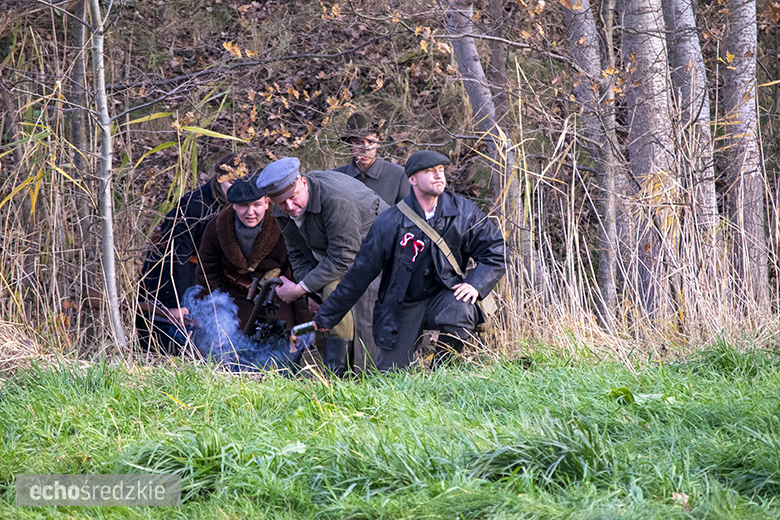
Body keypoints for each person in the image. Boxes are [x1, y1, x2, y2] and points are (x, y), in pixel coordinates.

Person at [313, 150, 506, 371]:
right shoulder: (389, 222)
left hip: (444, 297)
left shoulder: (464, 212)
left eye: (441, 170)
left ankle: (441, 374)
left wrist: (475, 284)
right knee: (391, 377)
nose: (438, 176)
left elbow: (495, 250)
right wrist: (327, 316)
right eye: (429, 171)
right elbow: (359, 276)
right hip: (401, 306)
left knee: (463, 307)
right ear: (412, 179)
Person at [255, 156, 389, 376]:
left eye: (293, 197)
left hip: (379, 253)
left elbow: (344, 256)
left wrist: (301, 288)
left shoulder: (335, 199)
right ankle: (334, 374)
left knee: (335, 294)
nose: (289, 206)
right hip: (341, 258)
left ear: (303, 182)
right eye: (281, 203)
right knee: (326, 296)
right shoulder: (283, 210)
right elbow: (297, 253)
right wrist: (312, 291)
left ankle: (348, 374)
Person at [137, 152, 256, 354]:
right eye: (232, 184)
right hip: (172, 277)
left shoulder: (242, 206)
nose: (238, 192)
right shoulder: (192, 205)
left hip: (211, 276)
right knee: (172, 341)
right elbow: (175, 258)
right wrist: (175, 304)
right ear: (219, 178)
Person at [194, 172, 309, 332]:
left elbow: (296, 273)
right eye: (243, 205)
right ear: (234, 205)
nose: (250, 212)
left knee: (281, 340)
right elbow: (207, 273)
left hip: (277, 296)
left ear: (267, 202)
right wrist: (215, 313)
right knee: (231, 344)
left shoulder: (284, 226)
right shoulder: (217, 227)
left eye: (256, 204)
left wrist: (303, 319)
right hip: (233, 297)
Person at [332, 112, 410, 205]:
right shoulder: (336, 177)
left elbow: (408, 216)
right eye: (358, 142)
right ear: (349, 145)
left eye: (370, 142)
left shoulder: (399, 176)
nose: (365, 149)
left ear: (378, 142)